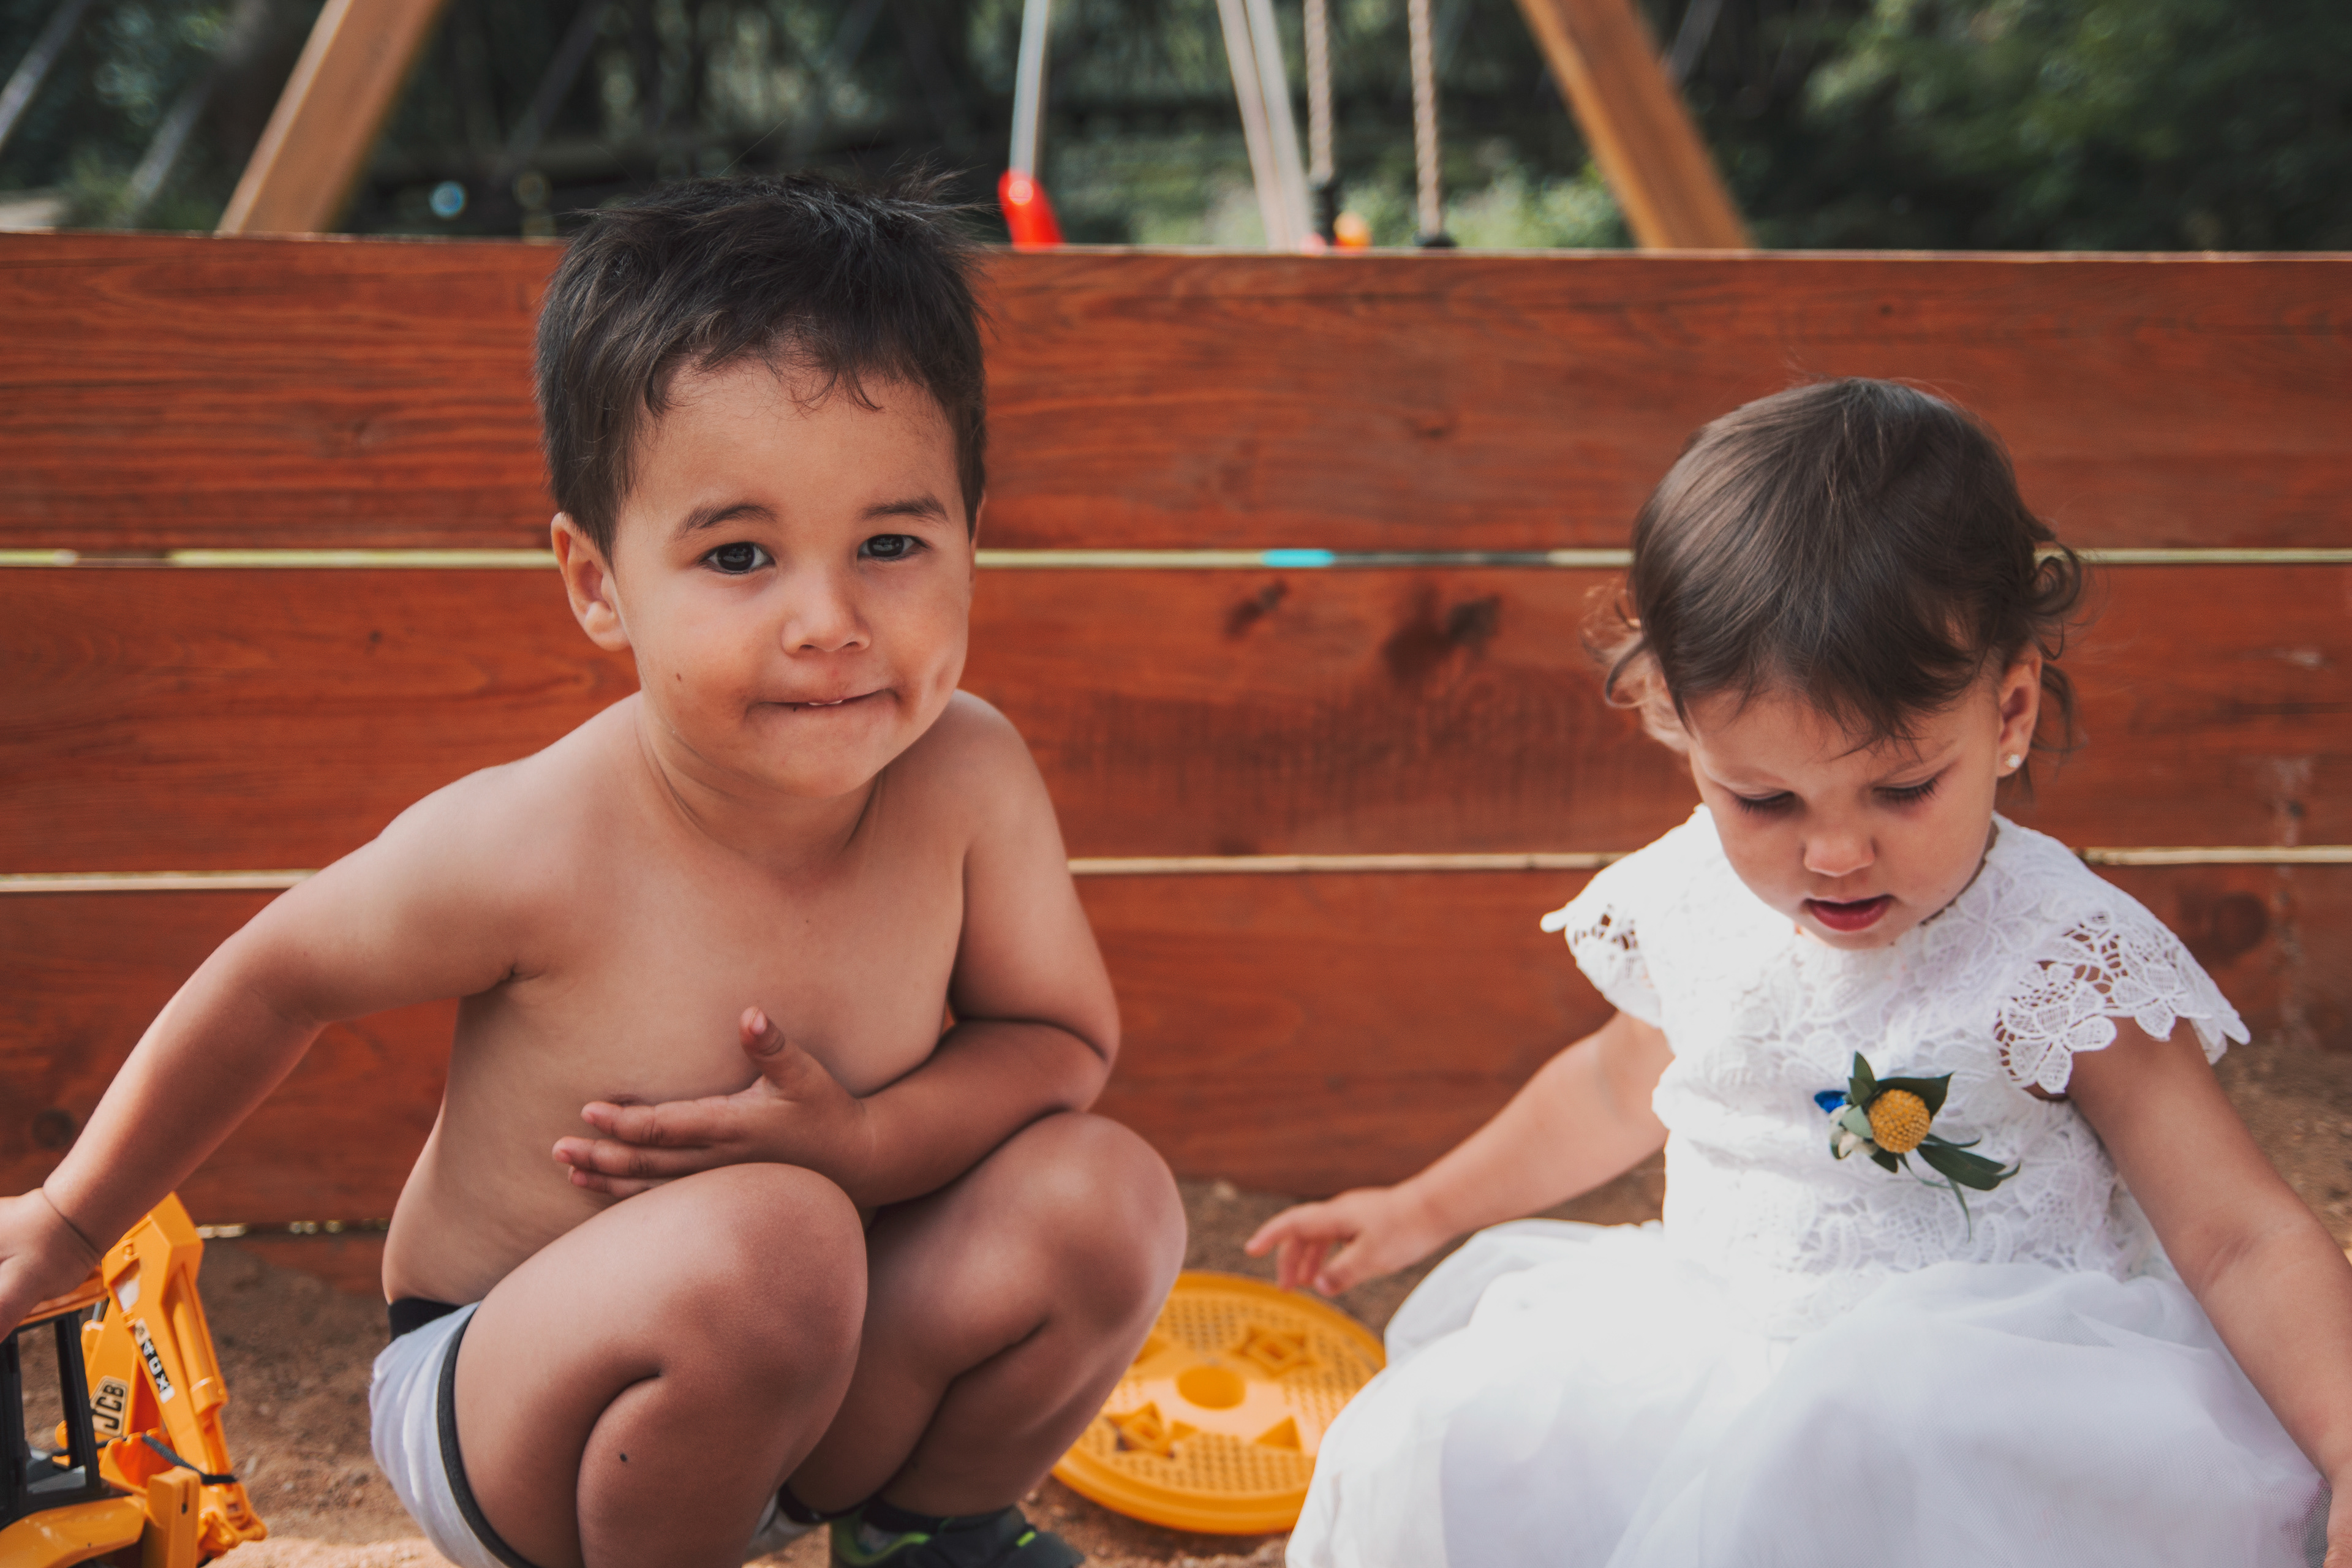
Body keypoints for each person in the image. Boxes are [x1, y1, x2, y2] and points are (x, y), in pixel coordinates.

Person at [0, 173, 1186, 1568]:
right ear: (596, 583)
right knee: (778, 1241)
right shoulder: (539, 839)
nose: (829, 620)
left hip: (812, 1377)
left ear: (971, 542)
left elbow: (1058, 1041)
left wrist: (868, 1145)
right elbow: (275, 978)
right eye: (738, 554)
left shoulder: (969, 775)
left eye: (891, 543)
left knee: (1109, 1199)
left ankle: (926, 1537)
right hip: (517, 1403)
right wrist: (69, 1220)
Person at [1248, 379, 2352, 1567]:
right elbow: (1619, 1088)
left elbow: (2237, 1233)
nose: (1833, 853)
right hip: (1714, 1347)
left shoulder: (2054, 955)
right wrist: (1417, 1209)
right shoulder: (1695, 900)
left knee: (1839, 1443)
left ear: (2010, 711)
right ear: (1674, 720)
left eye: (1902, 788)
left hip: (1962, 1421)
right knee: (1454, 1435)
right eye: (1764, 799)